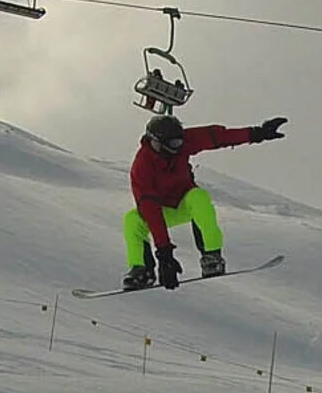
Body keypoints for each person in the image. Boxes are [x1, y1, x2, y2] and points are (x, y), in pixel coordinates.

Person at [123, 113, 287, 290]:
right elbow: (150, 210)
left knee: (198, 197)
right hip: (162, 210)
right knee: (133, 220)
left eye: (179, 143)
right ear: (156, 141)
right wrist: (165, 254)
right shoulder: (142, 167)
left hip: (185, 203)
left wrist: (257, 133)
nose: (178, 148)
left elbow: (217, 137)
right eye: (173, 144)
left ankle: (211, 257)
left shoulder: (184, 142)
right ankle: (141, 270)